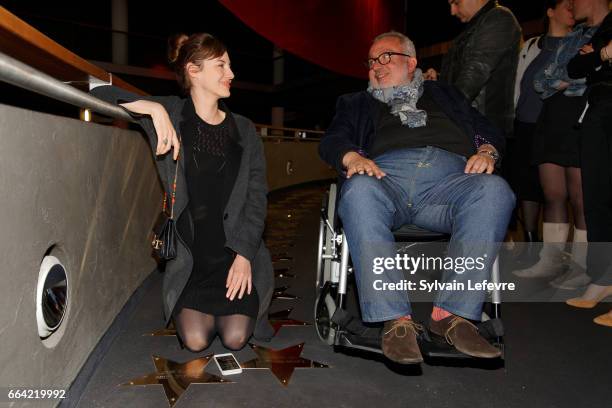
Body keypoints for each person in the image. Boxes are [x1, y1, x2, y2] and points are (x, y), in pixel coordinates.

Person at [319, 31, 514, 364]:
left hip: (450, 182)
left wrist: (487, 150)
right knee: (358, 190)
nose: (376, 67)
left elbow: (487, 127)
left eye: (386, 58)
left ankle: (450, 316)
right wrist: (351, 157)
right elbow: (335, 138)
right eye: (371, 62)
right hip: (384, 179)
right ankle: (395, 321)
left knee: (494, 190)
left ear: (411, 63)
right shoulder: (356, 102)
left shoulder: (446, 95)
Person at [91, 33, 274, 351]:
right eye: (221, 65)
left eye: (229, 65)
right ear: (193, 70)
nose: (231, 74)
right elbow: (95, 89)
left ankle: (242, 294)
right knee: (195, 341)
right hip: (193, 263)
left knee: (235, 339)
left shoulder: (245, 130)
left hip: (235, 259)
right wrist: (151, 108)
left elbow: (257, 198)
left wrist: (245, 255)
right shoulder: (170, 114)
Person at [513, 0, 601, 288]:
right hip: (551, 119)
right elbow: (540, 81)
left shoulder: (603, 33)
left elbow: (592, 78)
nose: (573, 5)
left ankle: (582, 267)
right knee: (552, 194)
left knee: (581, 198)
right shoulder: (575, 36)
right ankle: (550, 261)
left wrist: (565, 79)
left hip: (581, 119)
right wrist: (568, 77)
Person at [511, 0, 574, 268]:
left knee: (557, 190)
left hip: (554, 126)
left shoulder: (576, 44)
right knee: (527, 185)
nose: (571, 8)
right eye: (565, 5)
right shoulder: (532, 45)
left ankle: (563, 256)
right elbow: (519, 82)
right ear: (550, 11)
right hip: (525, 123)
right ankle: (531, 243)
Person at [565, 0, 612, 327]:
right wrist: (604, 55)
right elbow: (574, 68)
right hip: (597, 109)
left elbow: (585, 64)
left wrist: (595, 57)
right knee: (596, 197)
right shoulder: (599, 31)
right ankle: (604, 276)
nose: (570, 2)